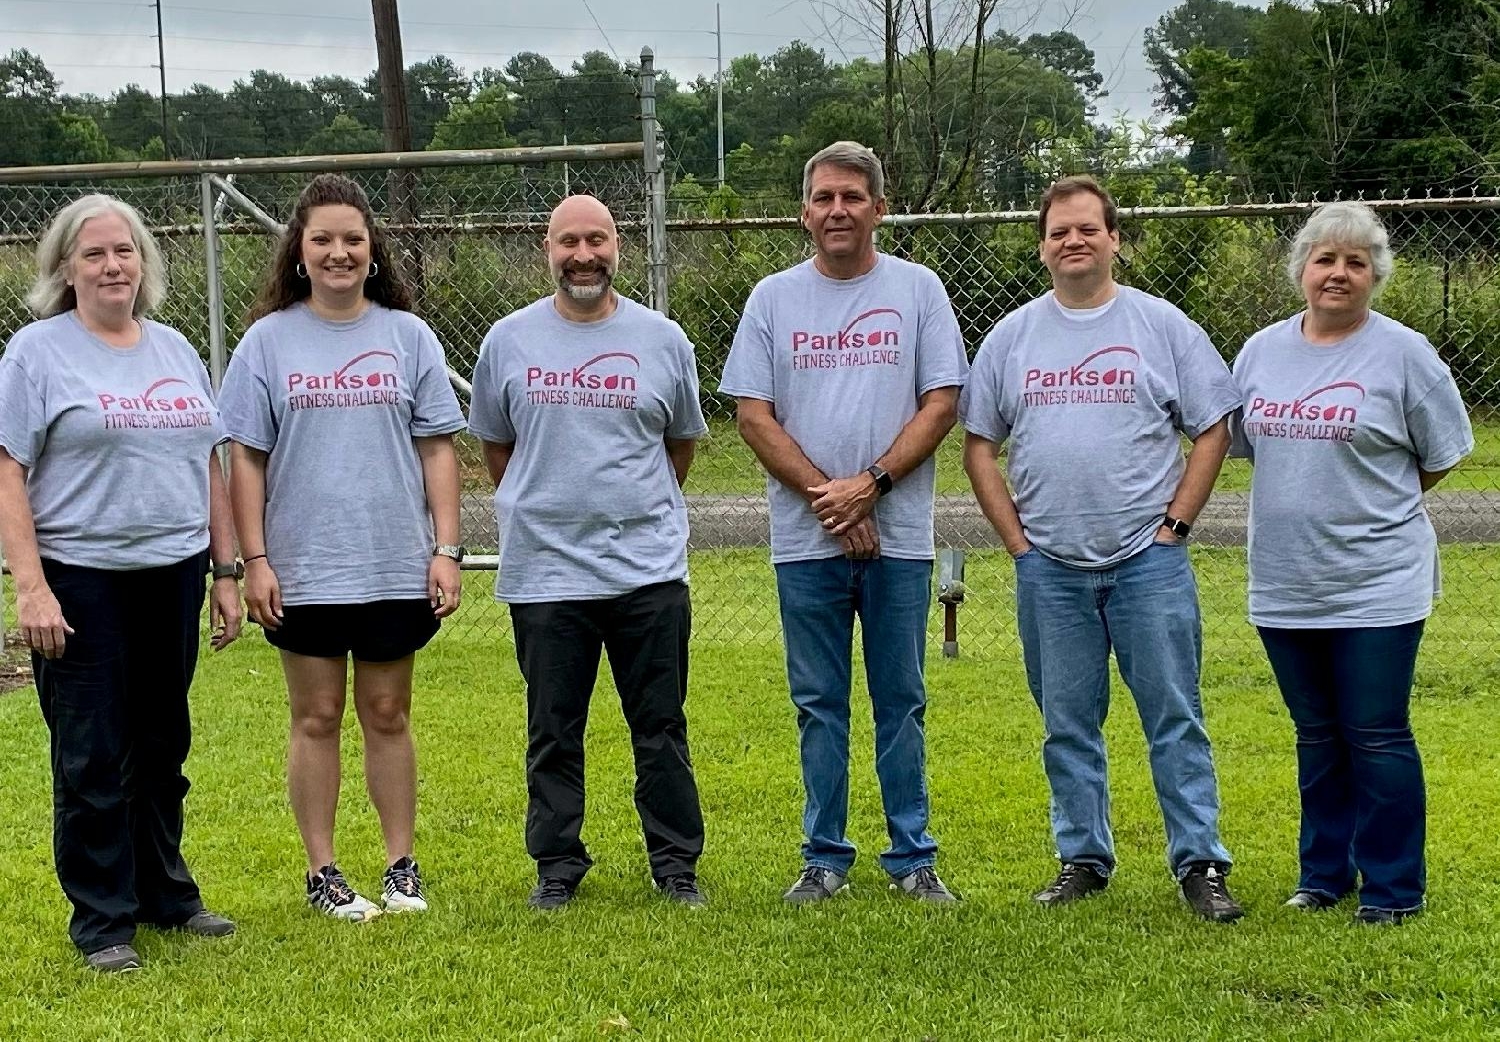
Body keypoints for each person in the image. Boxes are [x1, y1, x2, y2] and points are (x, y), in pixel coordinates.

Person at [961, 175, 1245, 922]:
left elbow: (1213, 425)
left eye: (1089, 228)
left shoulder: (1162, 327)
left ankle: (1201, 863)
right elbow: (979, 446)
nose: (1074, 240)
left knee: (1174, 715)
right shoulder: (1012, 337)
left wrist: (1176, 524)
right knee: (1066, 722)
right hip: (1050, 567)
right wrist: (1018, 544)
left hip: (1146, 563)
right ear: (1042, 247)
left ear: (1115, 239)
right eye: (1059, 231)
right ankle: (1083, 856)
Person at [720, 141, 968, 905]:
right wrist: (832, 499)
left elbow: (942, 402)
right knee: (819, 701)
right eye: (824, 197)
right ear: (804, 212)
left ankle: (912, 856)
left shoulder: (919, 290)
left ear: (879, 208)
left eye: (853, 196)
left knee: (903, 698)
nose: (838, 210)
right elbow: (752, 415)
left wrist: (873, 485)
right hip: (806, 542)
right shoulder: (772, 299)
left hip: (900, 540)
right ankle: (823, 856)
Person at [0, 195, 242, 973]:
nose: (112, 266)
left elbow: (208, 462)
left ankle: (164, 892)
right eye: (95, 253)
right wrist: (30, 587)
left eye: (125, 252)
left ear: (145, 263)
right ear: (65, 268)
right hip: (81, 579)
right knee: (91, 753)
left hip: (171, 572)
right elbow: (9, 470)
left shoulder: (173, 347)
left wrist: (225, 570)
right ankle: (102, 917)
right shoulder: (36, 353)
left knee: (163, 743)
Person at [220, 174, 465, 921]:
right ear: (298, 250)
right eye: (322, 239)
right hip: (303, 567)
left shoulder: (407, 335)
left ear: (372, 250)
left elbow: (437, 449)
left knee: (388, 711)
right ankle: (323, 871)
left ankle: (400, 866)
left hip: (392, 558)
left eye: (352, 239)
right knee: (317, 714)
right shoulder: (267, 341)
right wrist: (254, 560)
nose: (338, 252)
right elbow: (246, 458)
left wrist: (446, 547)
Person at [1230, 202, 1472, 926]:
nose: (1338, 273)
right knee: (1317, 732)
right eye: (1325, 259)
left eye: (1356, 262)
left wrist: (1372, 505)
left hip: (1377, 583)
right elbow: (1250, 447)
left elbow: (1440, 457)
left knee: (1376, 730)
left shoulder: (1405, 355)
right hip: (1285, 578)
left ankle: (1394, 887)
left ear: (1376, 275)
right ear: (1302, 268)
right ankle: (1322, 873)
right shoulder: (1260, 352)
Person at [468, 194, 709, 911]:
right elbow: (496, 445)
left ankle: (675, 864)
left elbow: (681, 444)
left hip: (648, 570)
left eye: (596, 240)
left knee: (661, 726)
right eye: (569, 240)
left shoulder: (663, 339)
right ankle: (557, 863)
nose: (583, 255)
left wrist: (630, 506)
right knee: (552, 730)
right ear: (547, 248)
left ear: (618, 248)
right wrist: (549, 505)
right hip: (547, 573)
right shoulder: (507, 341)